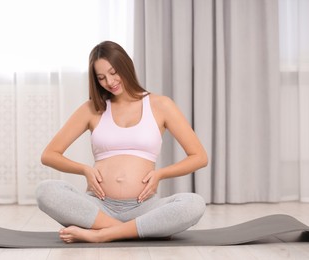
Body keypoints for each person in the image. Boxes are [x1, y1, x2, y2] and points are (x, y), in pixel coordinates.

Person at [36, 41, 208, 243]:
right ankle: (132, 231)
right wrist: (85, 170)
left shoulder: (161, 105)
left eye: (113, 72)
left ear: (126, 65)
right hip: (98, 207)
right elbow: (49, 154)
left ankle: (102, 235)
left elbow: (199, 157)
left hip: (144, 207)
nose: (110, 81)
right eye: (101, 78)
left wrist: (161, 174)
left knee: (194, 203)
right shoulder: (92, 109)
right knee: (45, 190)